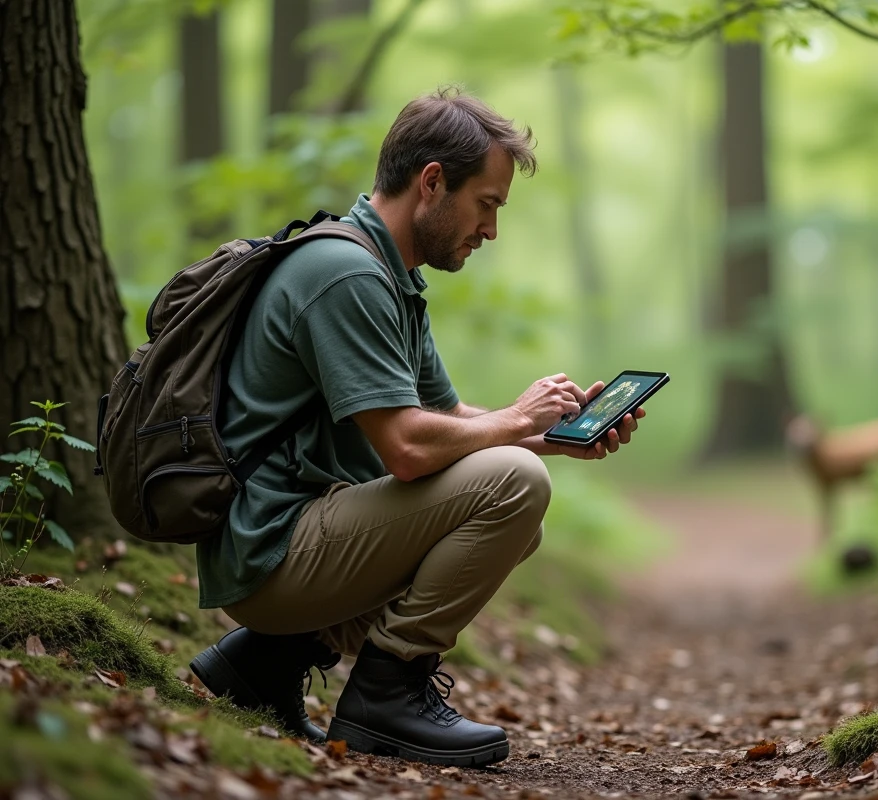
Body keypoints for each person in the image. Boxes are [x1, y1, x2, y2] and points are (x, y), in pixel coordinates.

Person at [187, 86, 645, 767]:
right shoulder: (343, 274)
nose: (491, 229)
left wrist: (545, 434)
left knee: (516, 493)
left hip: (296, 539)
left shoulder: (389, 275)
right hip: (271, 551)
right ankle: (386, 695)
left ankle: (263, 664)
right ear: (432, 182)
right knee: (511, 486)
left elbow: (446, 419)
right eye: (487, 204)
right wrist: (515, 426)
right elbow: (406, 448)